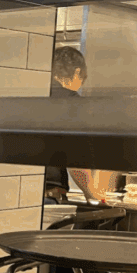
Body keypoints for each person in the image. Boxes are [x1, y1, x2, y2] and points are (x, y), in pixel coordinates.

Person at [44, 46, 87, 203]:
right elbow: (76, 157)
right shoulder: (73, 103)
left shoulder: (37, 93)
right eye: (83, 79)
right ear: (76, 73)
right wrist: (93, 194)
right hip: (48, 198)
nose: (80, 87)